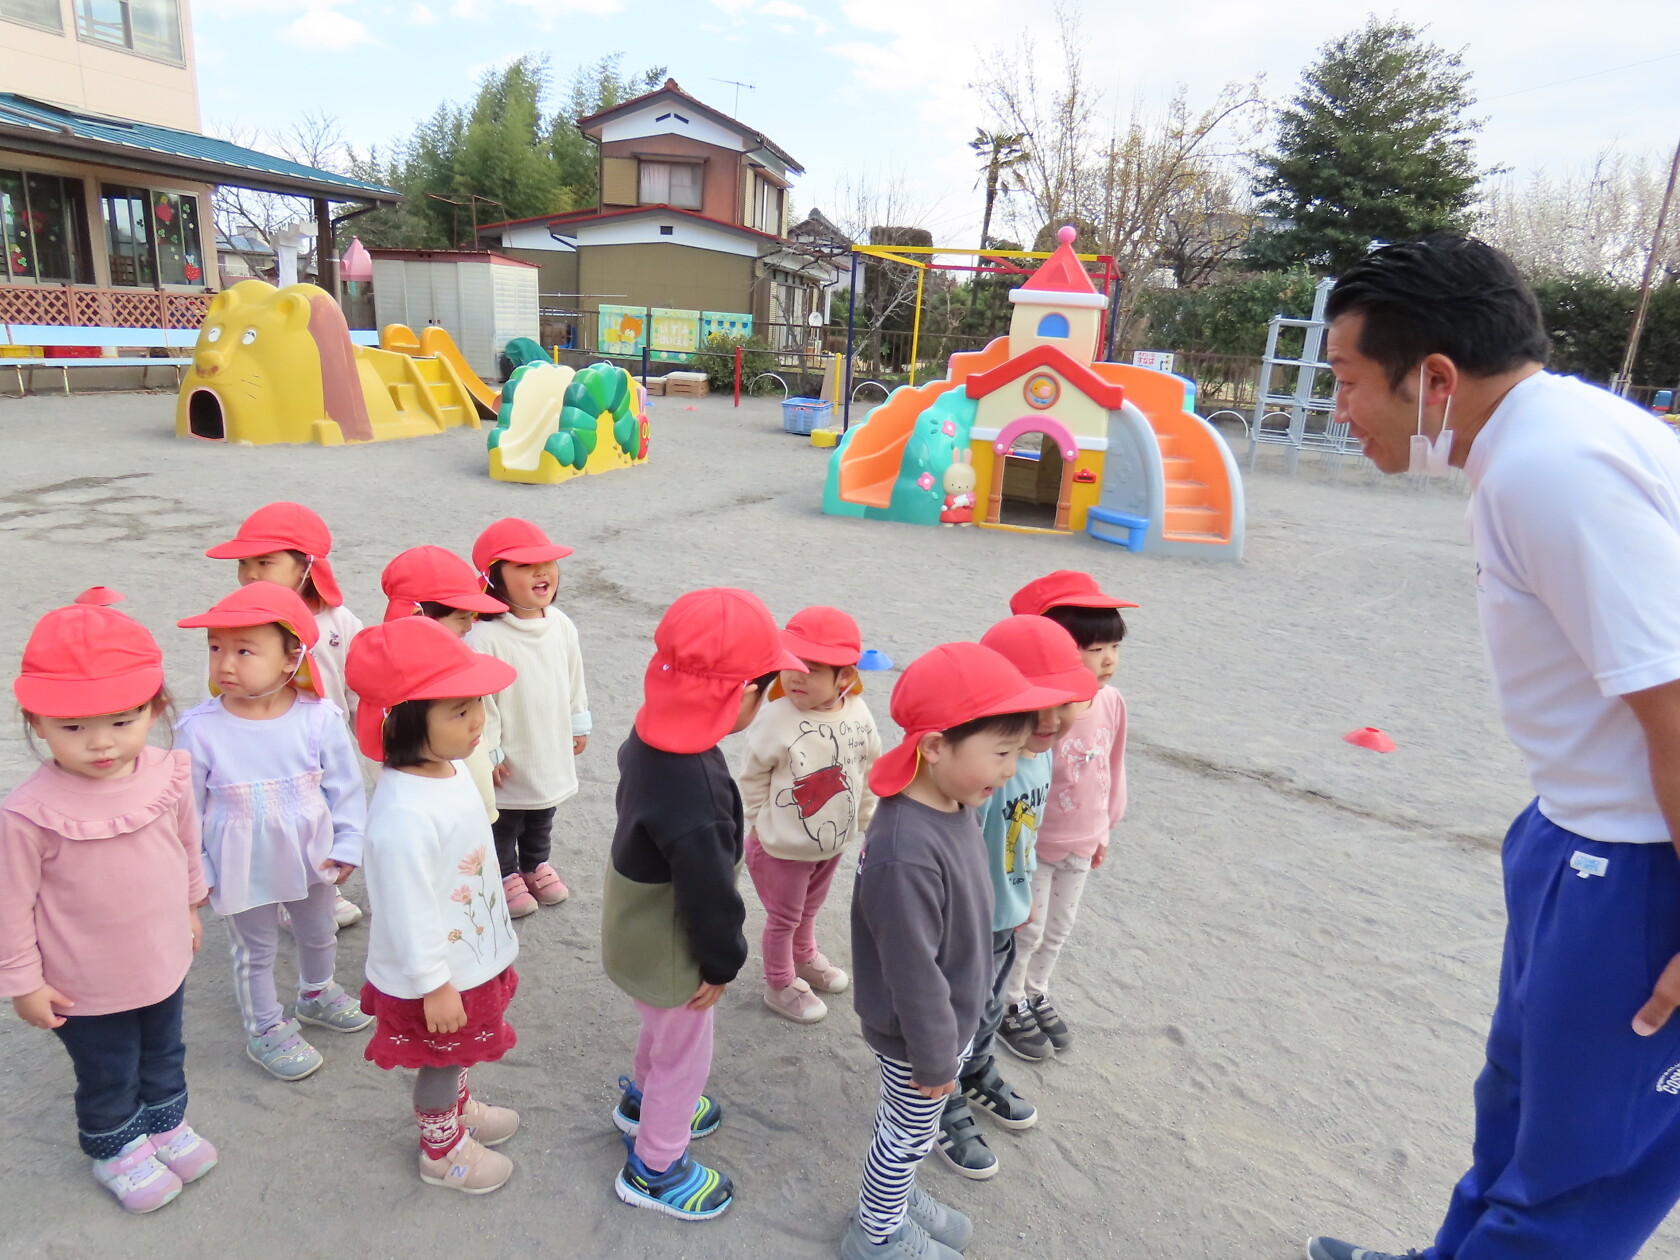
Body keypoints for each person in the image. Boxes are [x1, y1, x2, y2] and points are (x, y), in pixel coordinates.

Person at [1306, 234, 1680, 1260]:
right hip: (1576, 832)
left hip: (1641, 862)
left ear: (1434, 378)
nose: (1338, 407)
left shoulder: (1556, 469)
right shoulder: (1544, 440)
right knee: (1516, 1111)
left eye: (1347, 379)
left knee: (1574, 1184)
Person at [844, 641, 1064, 1260]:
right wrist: (938, 1057)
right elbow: (912, 972)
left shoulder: (954, 802)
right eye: (1001, 753)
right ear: (937, 746)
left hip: (946, 1022)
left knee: (904, 1132)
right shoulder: (904, 853)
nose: (1010, 770)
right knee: (905, 1137)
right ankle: (875, 1235)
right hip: (918, 1035)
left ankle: (893, 1199)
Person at [0, 589, 216, 1213]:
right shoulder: (28, 814)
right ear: (36, 722)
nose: (101, 743)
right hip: (83, 983)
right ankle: (116, 1146)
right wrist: (23, 983)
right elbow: (10, 907)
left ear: (154, 708)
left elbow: (185, 844)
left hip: (161, 956)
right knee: (108, 1068)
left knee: (165, 1048)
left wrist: (190, 907)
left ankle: (165, 1125)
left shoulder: (168, 773)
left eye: (123, 721)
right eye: (73, 727)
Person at [601, 587, 805, 1221]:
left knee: (661, 1031)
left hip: (633, 922)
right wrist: (721, 963)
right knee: (685, 1055)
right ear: (738, 693)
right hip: (674, 946)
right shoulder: (697, 789)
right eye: (767, 688)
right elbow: (710, 894)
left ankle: (641, 1103)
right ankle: (656, 1167)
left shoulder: (650, 734)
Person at [346, 616, 523, 1195]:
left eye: (477, 704)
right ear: (403, 721)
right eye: (459, 711)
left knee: (456, 1052)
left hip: (464, 954)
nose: (478, 720)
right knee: (440, 1060)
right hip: (437, 974)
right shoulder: (402, 816)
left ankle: (459, 1110)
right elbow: (405, 910)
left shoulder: (448, 769)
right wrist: (433, 984)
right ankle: (441, 1152)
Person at [175, 583, 371, 1082]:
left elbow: (345, 788)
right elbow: (186, 810)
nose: (224, 663)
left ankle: (317, 991)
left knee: (319, 930)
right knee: (255, 949)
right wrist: (200, 872)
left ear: (291, 659)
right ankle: (265, 1027)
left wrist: (348, 843)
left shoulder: (318, 719)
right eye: (215, 648)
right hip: (238, 862)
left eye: (244, 650)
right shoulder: (199, 729)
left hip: (310, 853)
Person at [934, 615, 1094, 1180]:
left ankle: (976, 1069)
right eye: (1033, 705)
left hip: (1006, 916)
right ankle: (940, 1099)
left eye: (1062, 703)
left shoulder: (1040, 751)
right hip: (964, 928)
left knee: (990, 1007)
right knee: (952, 1017)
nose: (1049, 721)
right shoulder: (978, 774)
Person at [206, 500, 365, 929]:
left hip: (322, 739)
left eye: (265, 562)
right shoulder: (242, 622)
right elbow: (222, 677)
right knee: (271, 817)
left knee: (320, 814)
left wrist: (370, 736)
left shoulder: (340, 621)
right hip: (265, 741)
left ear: (307, 566)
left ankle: (322, 888)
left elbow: (357, 685)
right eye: (244, 563)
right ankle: (274, 890)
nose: (250, 574)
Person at [998, 570, 1135, 1060]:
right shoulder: (1042, 714)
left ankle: (1037, 990)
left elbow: (1113, 765)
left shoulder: (1111, 702)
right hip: (1035, 845)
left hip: (1083, 839)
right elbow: (1013, 783)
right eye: (1093, 648)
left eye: (1114, 647)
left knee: (1059, 928)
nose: (1108, 659)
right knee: (1027, 929)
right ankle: (1009, 1001)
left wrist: (1105, 828)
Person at [740, 605, 881, 1024]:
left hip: (831, 843)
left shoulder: (858, 713)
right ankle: (779, 982)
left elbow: (866, 769)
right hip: (782, 847)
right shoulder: (776, 717)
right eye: (791, 665)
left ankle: (803, 957)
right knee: (784, 918)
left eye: (812, 669)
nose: (797, 676)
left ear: (845, 676)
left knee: (809, 908)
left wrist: (866, 821)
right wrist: (759, 823)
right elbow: (752, 775)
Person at [467, 518, 590, 917]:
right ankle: (504, 872)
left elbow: (574, 675)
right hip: (510, 747)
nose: (541, 573)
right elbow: (482, 699)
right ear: (494, 577)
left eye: (547, 563)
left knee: (542, 810)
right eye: (524, 566)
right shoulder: (485, 637)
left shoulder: (560, 625)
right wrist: (489, 750)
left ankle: (535, 864)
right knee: (505, 816)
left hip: (548, 739)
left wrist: (578, 720)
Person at [380, 545, 509, 823]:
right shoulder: (398, 686)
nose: (469, 627)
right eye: (462, 617)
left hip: (473, 798)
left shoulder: (458, 659)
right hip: (440, 813)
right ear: (419, 617)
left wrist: (490, 755)